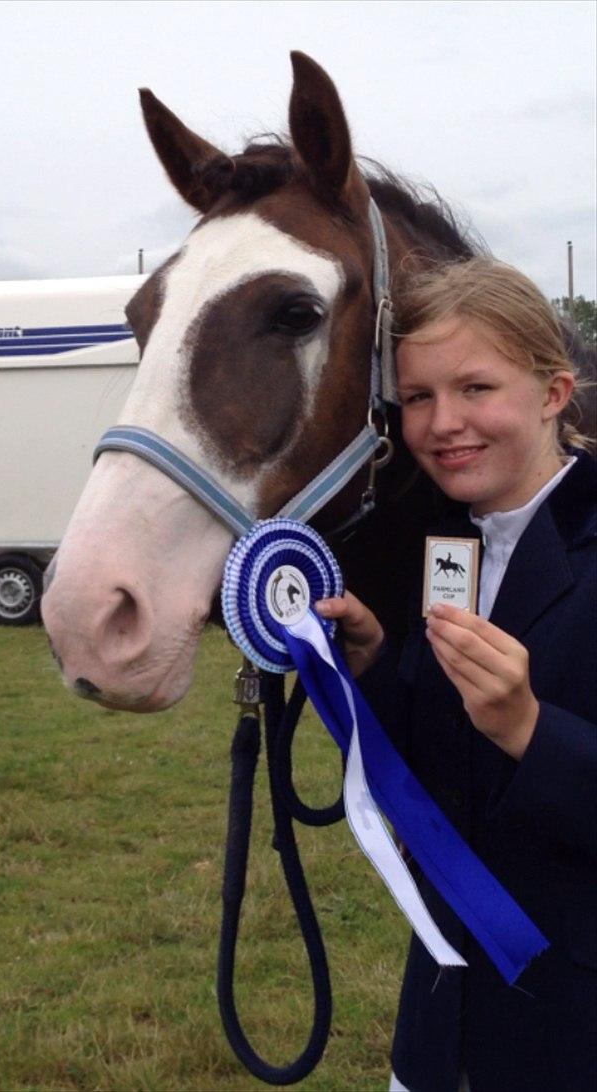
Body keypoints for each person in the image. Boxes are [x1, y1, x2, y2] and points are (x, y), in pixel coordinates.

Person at [316, 258, 596, 1092]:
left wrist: (530, 731)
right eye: (419, 398)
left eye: (477, 388)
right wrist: (371, 665)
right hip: (442, 1026)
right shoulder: (446, 545)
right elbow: (432, 786)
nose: (444, 424)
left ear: (553, 393)